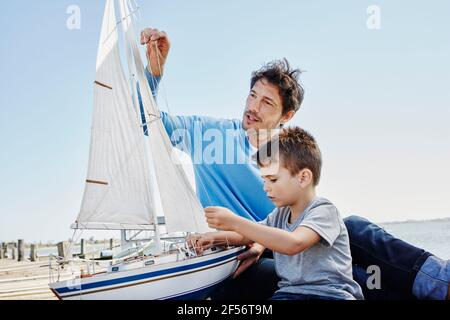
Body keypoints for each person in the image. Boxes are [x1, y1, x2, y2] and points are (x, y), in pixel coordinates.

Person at [138, 28, 450, 300]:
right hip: (242, 256)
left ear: (287, 116)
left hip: (283, 245)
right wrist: (154, 73)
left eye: (267, 102)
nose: (253, 107)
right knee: (322, 279)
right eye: (252, 95)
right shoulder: (205, 134)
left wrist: (262, 241)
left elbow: (306, 221)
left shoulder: (289, 155)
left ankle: (442, 282)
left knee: (352, 230)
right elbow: (143, 121)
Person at [188, 127, 364, 300]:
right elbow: (246, 236)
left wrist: (234, 221)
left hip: (331, 294)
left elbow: (294, 243)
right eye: (264, 179)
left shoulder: (324, 210)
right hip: (289, 294)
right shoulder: (279, 215)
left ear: (303, 178)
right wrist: (210, 237)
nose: (265, 187)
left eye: (272, 179)